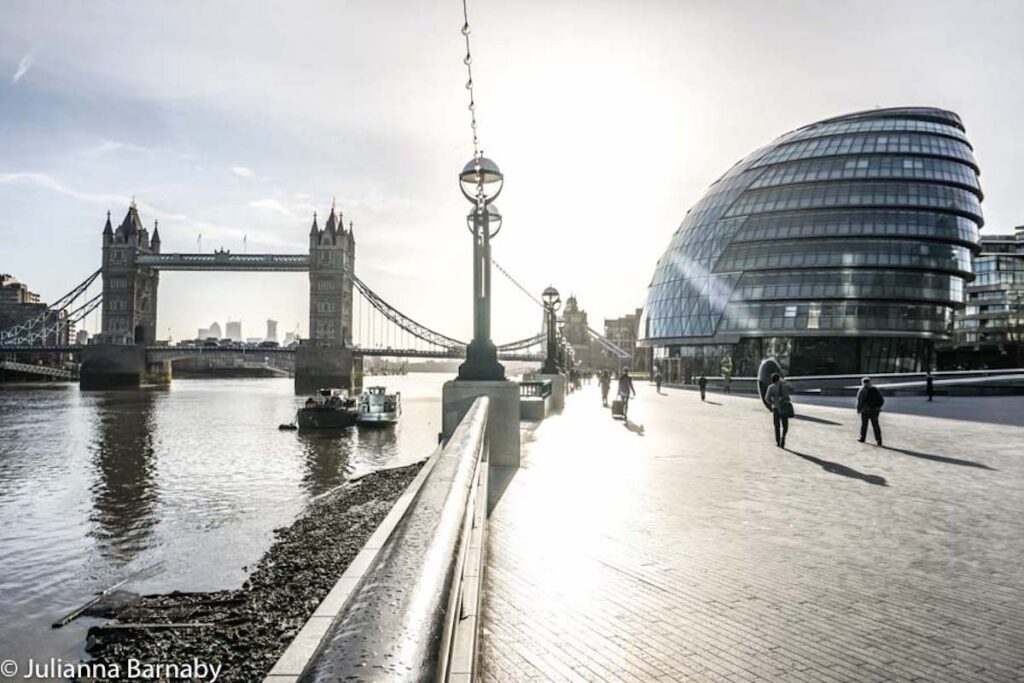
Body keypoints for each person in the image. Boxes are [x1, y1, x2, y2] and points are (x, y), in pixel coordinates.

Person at [764, 372, 793, 448]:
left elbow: (767, 398)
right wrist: (784, 382)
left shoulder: (771, 387)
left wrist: (773, 403)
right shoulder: (785, 386)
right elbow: (793, 389)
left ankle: (777, 441)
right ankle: (783, 438)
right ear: (779, 379)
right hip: (785, 407)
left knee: (777, 426)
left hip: (776, 408)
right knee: (785, 426)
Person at [856, 377, 884, 446]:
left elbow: (860, 401)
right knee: (876, 425)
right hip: (875, 410)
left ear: (863, 383)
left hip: (866, 410)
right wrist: (878, 407)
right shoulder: (875, 389)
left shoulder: (862, 390)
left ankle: (862, 438)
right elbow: (881, 400)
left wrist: (859, 410)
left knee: (864, 425)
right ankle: (879, 440)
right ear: (869, 382)